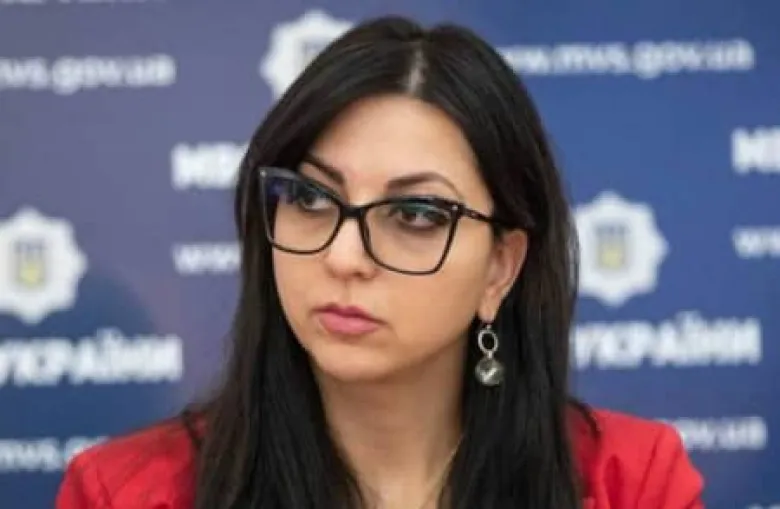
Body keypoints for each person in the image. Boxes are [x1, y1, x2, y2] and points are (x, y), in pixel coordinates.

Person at [55, 15, 705, 509]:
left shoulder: (630, 482)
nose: (343, 256)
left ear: (500, 268)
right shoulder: (125, 493)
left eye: (416, 215)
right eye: (310, 198)